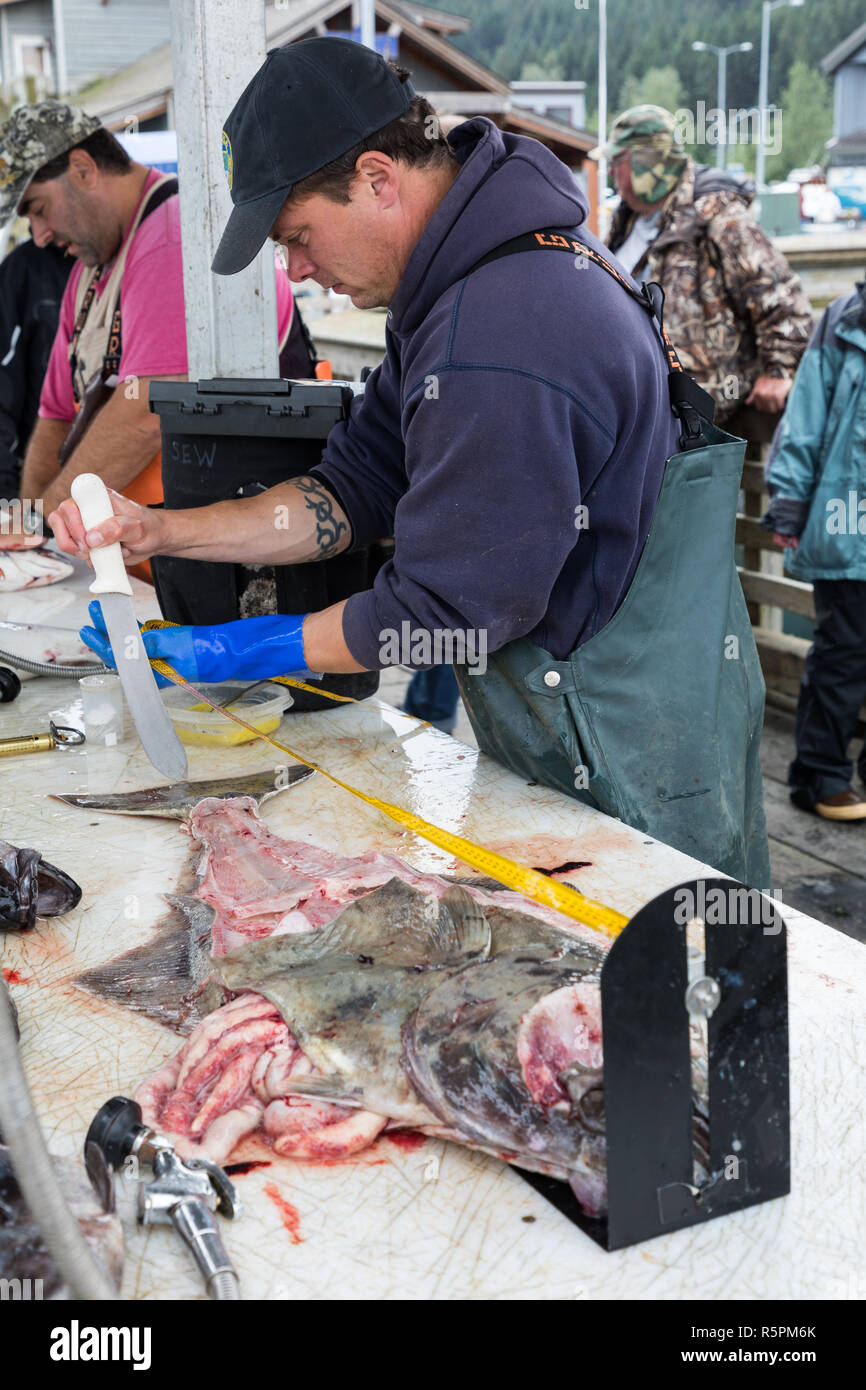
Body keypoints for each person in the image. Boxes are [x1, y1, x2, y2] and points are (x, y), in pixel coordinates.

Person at [52, 38, 770, 886]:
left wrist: (235, 650)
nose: (298, 271)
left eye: (298, 237)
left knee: (665, 983)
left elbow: (438, 611)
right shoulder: (454, 286)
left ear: (377, 179)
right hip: (566, 717)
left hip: (634, 755)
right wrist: (163, 529)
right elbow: (351, 489)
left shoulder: (501, 330)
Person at [0, 100, 299, 551]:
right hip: (138, 554)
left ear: (82, 169)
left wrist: (41, 528)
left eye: (38, 208)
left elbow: (145, 412)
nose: (39, 235)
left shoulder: (174, 236)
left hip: (223, 551)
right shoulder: (89, 269)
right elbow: (56, 413)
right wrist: (28, 530)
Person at [596, 105, 813, 443]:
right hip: (630, 405)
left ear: (644, 162)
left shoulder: (719, 217)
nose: (611, 174)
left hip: (693, 418)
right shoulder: (624, 221)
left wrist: (780, 371)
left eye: (616, 162)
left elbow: (782, 298)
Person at [762, 280, 866, 821]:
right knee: (841, 650)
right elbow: (805, 415)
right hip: (848, 524)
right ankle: (819, 775)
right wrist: (789, 501)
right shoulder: (844, 319)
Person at [0, 237, 71, 502]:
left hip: (126, 485)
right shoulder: (23, 268)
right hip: (34, 482)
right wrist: (6, 496)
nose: (40, 231)